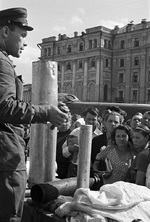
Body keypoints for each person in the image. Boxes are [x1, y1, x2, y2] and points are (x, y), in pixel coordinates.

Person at [0, 8, 69, 222]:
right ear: (4, 31)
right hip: (6, 159)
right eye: (22, 35)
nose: (24, 42)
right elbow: (5, 107)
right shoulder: (1, 62)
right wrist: (46, 112)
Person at [62, 107, 102, 177]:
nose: (91, 122)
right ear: (84, 118)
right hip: (75, 168)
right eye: (88, 119)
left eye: (93, 119)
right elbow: (64, 152)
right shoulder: (75, 132)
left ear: (97, 119)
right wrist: (70, 148)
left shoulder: (100, 136)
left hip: (92, 170)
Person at [56, 112, 73, 179]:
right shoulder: (53, 135)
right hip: (56, 169)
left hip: (68, 171)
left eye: (66, 122)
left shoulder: (73, 134)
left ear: (70, 122)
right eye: (61, 122)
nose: (64, 124)